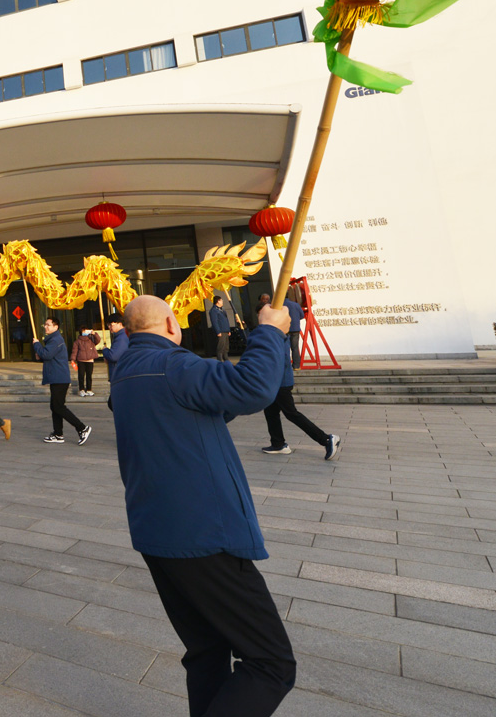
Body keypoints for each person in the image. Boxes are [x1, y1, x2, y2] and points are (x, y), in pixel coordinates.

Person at [110, 295, 297, 716]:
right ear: (172, 325)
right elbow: (254, 389)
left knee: (207, 652)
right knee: (271, 664)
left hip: (157, 534)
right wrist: (269, 331)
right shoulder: (176, 366)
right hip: (204, 536)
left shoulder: (124, 375)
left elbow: (188, 413)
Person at [260, 333, 340, 460]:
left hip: (280, 383)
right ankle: (278, 444)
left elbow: (280, 360)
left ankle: (326, 439)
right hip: (275, 382)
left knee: (291, 414)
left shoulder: (278, 334)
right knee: (270, 412)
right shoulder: (275, 333)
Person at [35, 317, 89, 445]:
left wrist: (36, 345)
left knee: (58, 406)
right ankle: (58, 434)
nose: (46, 327)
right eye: (45, 324)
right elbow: (49, 357)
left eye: (48, 325)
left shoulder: (56, 340)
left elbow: (47, 354)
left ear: (56, 327)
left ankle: (82, 428)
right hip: (56, 377)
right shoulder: (53, 340)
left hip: (59, 377)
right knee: (55, 406)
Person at [71, 325, 100, 396]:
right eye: (83, 331)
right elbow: (75, 351)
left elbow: (98, 340)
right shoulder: (77, 341)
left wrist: (94, 334)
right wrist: (72, 359)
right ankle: (81, 389)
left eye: (86, 331)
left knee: (89, 375)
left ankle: (89, 389)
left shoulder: (91, 339)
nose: (85, 332)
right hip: (81, 360)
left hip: (90, 360)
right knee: (81, 375)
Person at [100, 313, 129, 382]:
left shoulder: (121, 337)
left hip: (120, 375)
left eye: (111, 325)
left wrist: (105, 350)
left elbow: (113, 356)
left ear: (120, 323)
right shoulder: (120, 335)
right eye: (108, 325)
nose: (109, 327)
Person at [285, 287, 305, 370]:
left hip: (284, 329)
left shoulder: (279, 305)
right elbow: (302, 315)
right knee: (295, 348)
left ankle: (286, 367)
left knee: (285, 348)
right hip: (295, 328)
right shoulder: (295, 304)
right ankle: (296, 366)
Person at [209, 296, 232, 362]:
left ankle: (226, 360)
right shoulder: (213, 310)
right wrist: (218, 331)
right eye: (221, 300)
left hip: (225, 330)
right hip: (221, 331)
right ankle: (219, 361)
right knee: (220, 348)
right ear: (218, 301)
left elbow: (226, 320)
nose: (222, 301)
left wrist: (228, 330)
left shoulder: (222, 309)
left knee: (226, 348)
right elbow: (214, 322)